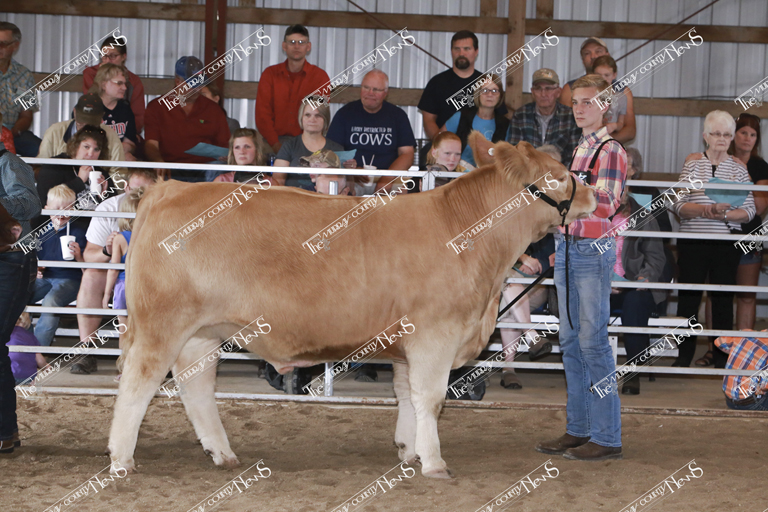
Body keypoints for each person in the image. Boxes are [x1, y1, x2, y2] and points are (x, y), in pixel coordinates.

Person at [537, 74, 627, 461]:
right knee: (572, 342)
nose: (579, 108)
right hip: (569, 248)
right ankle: (579, 428)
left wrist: (566, 194)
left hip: (590, 251)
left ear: (605, 106)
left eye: (587, 102)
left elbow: (606, 203)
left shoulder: (611, 150)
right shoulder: (580, 150)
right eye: (575, 102)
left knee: (592, 342)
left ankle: (606, 436)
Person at [669, 110, 756, 368]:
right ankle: (683, 357)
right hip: (693, 241)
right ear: (705, 136)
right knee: (688, 299)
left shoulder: (739, 168)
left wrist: (724, 214)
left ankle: (721, 359)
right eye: (716, 133)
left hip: (725, 244)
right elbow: (678, 204)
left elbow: (749, 210)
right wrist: (706, 210)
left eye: (727, 134)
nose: (721, 139)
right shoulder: (693, 164)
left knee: (722, 300)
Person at [75, 169, 156, 375]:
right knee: (91, 276)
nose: (139, 196)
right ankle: (87, 349)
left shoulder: (164, 208)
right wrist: (107, 250)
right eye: (135, 190)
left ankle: (159, 360)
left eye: (145, 191)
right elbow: (89, 255)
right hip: (121, 275)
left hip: (152, 274)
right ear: (126, 188)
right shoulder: (109, 208)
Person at [497, 145, 561, 390]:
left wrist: (541, 263)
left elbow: (558, 253)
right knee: (511, 292)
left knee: (510, 298)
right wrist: (522, 258)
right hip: (511, 278)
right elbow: (501, 241)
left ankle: (509, 369)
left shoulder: (563, 203)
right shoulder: (518, 200)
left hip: (543, 283)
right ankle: (531, 336)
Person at [0, 142, 41, 454]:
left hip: (11, 261)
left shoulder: (8, 163)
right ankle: (6, 431)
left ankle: (4, 431)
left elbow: (29, 204)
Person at [608, 186, 667, 395]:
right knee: (589, 301)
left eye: (621, 188)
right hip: (601, 284)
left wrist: (644, 277)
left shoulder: (644, 217)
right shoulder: (592, 217)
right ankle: (593, 371)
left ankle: (633, 371)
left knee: (635, 303)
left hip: (633, 284)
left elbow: (656, 257)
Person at [326, 70, 415, 194]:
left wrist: (387, 178)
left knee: (402, 187)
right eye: (366, 87)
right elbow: (332, 151)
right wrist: (352, 171)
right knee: (334, 182)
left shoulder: (398, 116)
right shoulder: (345, 114)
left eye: (376, 89)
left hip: (387, 175)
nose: (370, 93)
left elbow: (407, 154)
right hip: (353, 177)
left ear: (385, 93)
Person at [144, 56, 230, 182]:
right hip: (170, 167)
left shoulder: (214, 109)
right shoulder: (157, 107)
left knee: (218, 169)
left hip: (205, 168)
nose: (197, 88)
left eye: (200, 83)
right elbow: (151, 144)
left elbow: (225, 145)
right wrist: (158, 161)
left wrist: (225, 155)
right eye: (192, 83)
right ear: (178, 82)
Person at [255, 25, 330, 154]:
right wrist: (276, 145)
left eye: (301, 42)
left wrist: (303, 147)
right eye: (292, 42)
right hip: (271, 142)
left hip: (307, 142)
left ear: (308, 46)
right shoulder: (270, 74)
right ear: (284, 46)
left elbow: (320, 116)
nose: (296, 46)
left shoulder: (320, 77)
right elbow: (262, 115)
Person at [29, 185, 86, 348]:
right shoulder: (40, 232)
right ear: (47, 209)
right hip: (45, 277)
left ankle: (38, 351)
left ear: (73, 210)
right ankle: (23, 340)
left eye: (67, 209)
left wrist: (79, 256)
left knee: (51, 301)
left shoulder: (80, 231)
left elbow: (87, 269)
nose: (61, 214)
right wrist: (36, 269)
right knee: (20, 294)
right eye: (56, 209)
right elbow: (32, 258)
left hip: (71, 279)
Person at [559, 37, 636, 143]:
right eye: (587, 53)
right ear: (582, 59)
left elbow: (630, 131)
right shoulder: (570, 88)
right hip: (578, 146)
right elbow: (564, 128)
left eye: (598, 51)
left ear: (607, 55)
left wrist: (602, 143)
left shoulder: (623, 91)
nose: (593, 56)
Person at [731, 114, 768, 332]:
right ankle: (715, 347)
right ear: (733, 134)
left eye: (753, 135)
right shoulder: (718, 160)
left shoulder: (760, 166)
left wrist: (742, 176)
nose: (747, 138)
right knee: (718, 293)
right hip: (719, 234)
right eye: (743, 132)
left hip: (749, 236)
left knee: (746, 295)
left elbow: (760, 207)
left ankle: (745, 344)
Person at [104, 188, 143, 382]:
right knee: (143, 331)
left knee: (124, 331)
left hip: (123, 287)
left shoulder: (120, 238)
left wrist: (106, 295)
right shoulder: (148, 235)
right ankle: (142, 370)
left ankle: (126, 369)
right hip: (143, 287)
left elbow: (113, 269)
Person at [418, 30, 487, 141]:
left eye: (467, 49)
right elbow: (428, 120)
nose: (461, 53)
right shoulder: (436, 83)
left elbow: (499, 119)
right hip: (445, 147)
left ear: (476, 51)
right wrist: (441, 144)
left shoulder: (487, 83)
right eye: (457, 49)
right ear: (451, 51)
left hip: (479, 146)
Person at [36, 125, 117, 218]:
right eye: (86, 147)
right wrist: (79, 181)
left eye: (96, 149)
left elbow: (114, 209)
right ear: (75, 146)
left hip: (95, 222)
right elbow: (47, 201)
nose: (91, 154)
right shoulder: (55, 165)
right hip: (65, 222)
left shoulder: (101, 173)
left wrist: (103, 195)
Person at [507, 68, 581, 168]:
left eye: (548, 89)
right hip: (529, 172)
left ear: (558, 92)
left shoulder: (571, 117)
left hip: (560, 173)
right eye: (538, 89)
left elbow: (573, 156)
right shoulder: (521, 115)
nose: (543, 94)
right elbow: (515, 153)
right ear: (533, 92)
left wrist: (558, 174)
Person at [37, 94, 125, 178]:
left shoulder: (111, 136)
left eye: (91, 126)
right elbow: (41, 168)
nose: (84, 129)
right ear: (74, 112)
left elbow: (119, 172)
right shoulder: (54, 132)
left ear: (102, 117)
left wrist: (106, 185)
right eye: (81, 123)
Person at [273, 97, 343, 189]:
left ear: (325, 119)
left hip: (325, 198)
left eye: (318, 115)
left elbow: (345, 187)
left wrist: (350, 170)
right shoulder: (289, 146)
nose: (312, 119)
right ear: (301, 118)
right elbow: (277, 183)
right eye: (307, 115)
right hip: (293, 197)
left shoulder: (337, 149)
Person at [442, 73, 508, 168]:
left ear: (500, 96)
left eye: (494, 91)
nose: (490, 94)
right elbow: (439, 142)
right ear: (477, 93)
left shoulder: (506, 125)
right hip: (459, 173)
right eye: (485, 90)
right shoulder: (460, 117)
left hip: (491, 174)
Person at [82, 34, 146, 132]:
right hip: (96, 128)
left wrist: (130, 133)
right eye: (104, 56)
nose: (107, 60)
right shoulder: (91, 73)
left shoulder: (133, 81)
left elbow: (138, 116)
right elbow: (91, 101)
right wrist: (102, 74)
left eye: (112, 56)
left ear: (124, 57)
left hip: (123, 129)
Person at [0, 22, 41, 157]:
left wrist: (11, 133)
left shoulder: (24, 76)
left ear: (15, 45)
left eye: (3, 44)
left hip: (13, 132)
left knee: (41, 149)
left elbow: (26, 115)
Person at [89, 64, 138, 160]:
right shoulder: (89, 107)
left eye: (125, 84)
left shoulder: (125, 109)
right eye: (119, 83)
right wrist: (116, 150)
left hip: (119, 156)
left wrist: (123, 149)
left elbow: (131, 144)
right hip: (94, 158)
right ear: (103, 84)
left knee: (130, 158)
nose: (124, 88)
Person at [714, 332, 768, 411]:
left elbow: (718, 342)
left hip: (730, 401)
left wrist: (740, 353)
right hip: (752, 404)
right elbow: (764, 387)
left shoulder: (745, 334)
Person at [7, 313, 47, 386]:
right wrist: (45, 366)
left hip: (8, 375)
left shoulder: (5, 334)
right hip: (27, 377)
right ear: (27, 321)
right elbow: (40, 360)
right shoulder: (30, 336)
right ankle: (30, 381)